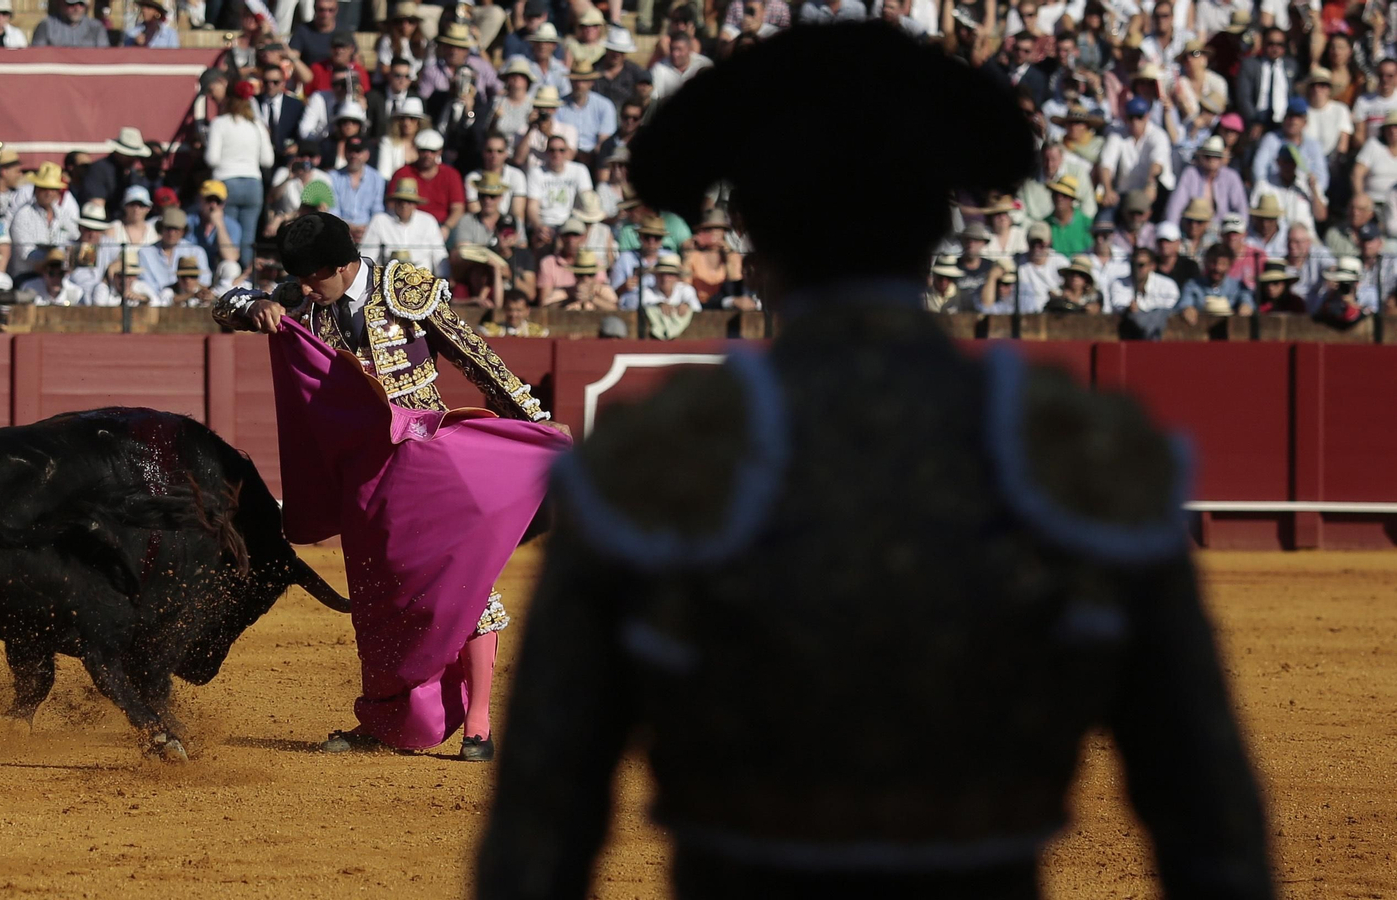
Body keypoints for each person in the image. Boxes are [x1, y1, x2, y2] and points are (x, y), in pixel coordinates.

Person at [476, 23, 1271, 900]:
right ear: (936, 227)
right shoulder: (1081, 454)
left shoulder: (655, 462)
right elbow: (1213, 830)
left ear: (756, 236)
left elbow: (539, 837)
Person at [211, 212, 567, 762]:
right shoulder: (302, 296)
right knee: (379, 602)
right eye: (299, 281)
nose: (305, 291)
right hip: (365, 473)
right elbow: (225, 304)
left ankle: (478, 723)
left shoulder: (404, 288)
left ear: (343, 264)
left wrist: (534, 422)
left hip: (429, 460)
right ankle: (386, 720)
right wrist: (251, 303)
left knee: (465, 584)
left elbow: (475, 357)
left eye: (314, 280)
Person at [206, 80, 274, 265]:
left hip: (226, 182)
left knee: (228, 235)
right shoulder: (257, 126)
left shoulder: (220, 123)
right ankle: (247, 276)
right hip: (253, 183)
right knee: (248, 238)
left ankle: (229, 275)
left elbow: (211, 158)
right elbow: (268, 160)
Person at [360, 176, 447, 271]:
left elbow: (439, 254)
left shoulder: (428, 221)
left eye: (409, 202)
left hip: (422, 278)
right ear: (395, 202)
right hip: (388, 278)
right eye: (400, 201)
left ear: (415, 204)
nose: (404, 205)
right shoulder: (380, 220)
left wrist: (443, 278)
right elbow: (367, 255)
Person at [9, 162, 80, 276]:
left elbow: (75, 238)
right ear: (36, 190)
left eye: (53, 189)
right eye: (44, 189)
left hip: (59, 275)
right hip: (29, 275)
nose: (49, 193)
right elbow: (25, 253)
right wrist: (54, 257)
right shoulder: (23, 215)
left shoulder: (64, 215)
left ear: (58, 193)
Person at [329, 136, 386, 240]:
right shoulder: (333, 177)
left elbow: (377, 210)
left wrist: (367, 229)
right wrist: (349, 227)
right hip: (340, 231)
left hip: (369, 232)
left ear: (367, 154)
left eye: (358, 151)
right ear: (345, 153)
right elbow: (333, 210)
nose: (354, 155)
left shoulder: (377, 178)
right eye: (350, 151)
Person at [1177, 243, 1254, 319]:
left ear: (1230, 265)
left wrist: (1245, 306)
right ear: (1206, 262)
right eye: (1213, 263)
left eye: (1223, 264)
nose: (1217, 268)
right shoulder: (1193, 285)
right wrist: (1187, 309)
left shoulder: (1237, 286)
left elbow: (1247, 300)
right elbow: (1184, 303)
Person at [30, 0, 109, 48]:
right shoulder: (45, 26)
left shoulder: (96, 28)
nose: (77, 8)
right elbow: (38, 56)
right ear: (61, 4)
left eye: (81, 4)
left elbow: (103, 56)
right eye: (71, 4)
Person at [480, 288, 553, 334]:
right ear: (504, 309)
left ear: (527, 311)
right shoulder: (490, 331)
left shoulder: (538, 333)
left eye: (519, 310)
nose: (513, 314)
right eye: (510, 309)